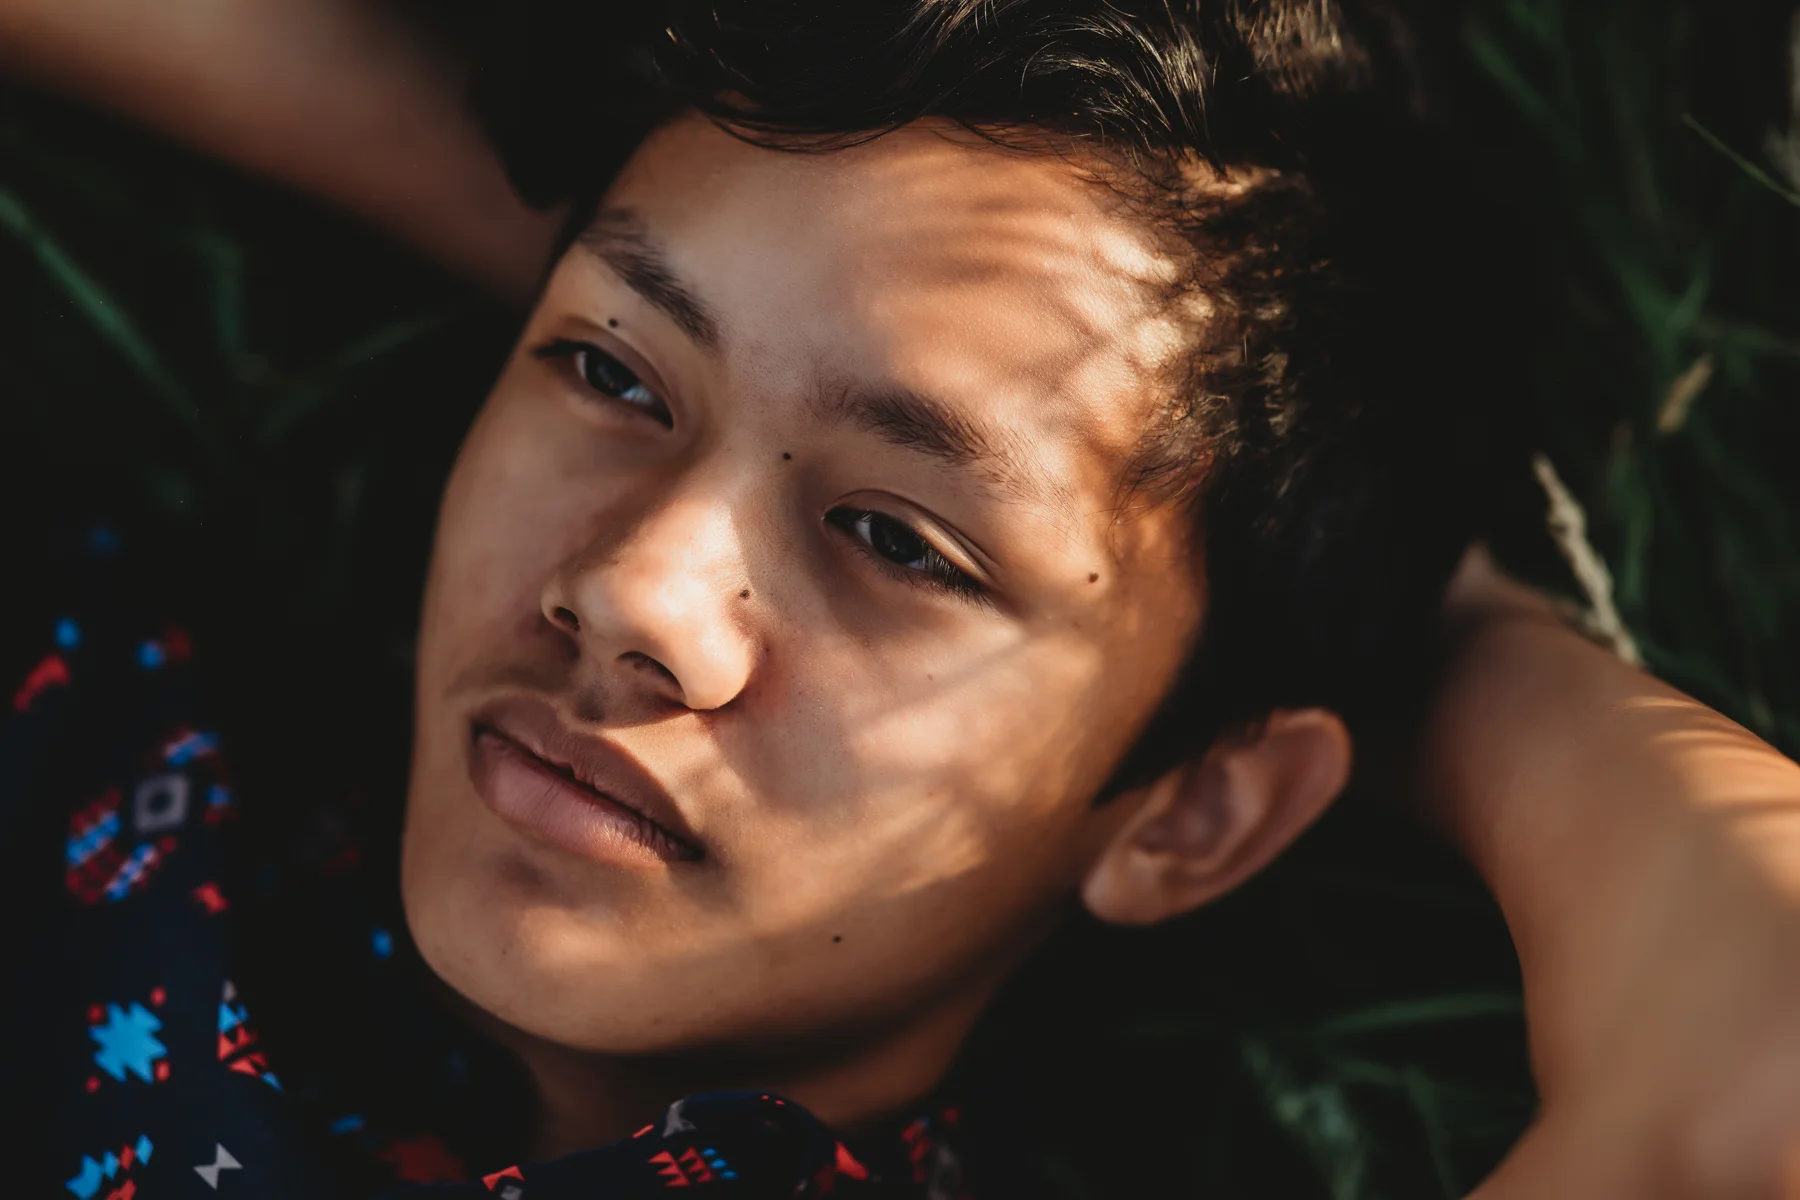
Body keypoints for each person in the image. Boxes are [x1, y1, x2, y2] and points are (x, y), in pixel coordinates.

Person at [4, 2, 1800, 1197]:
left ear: (1199, 813)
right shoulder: (93, 708)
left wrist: (1457, 640)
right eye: (610, 374)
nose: (632, 591)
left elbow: (1758, 1074)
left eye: (897, 541)